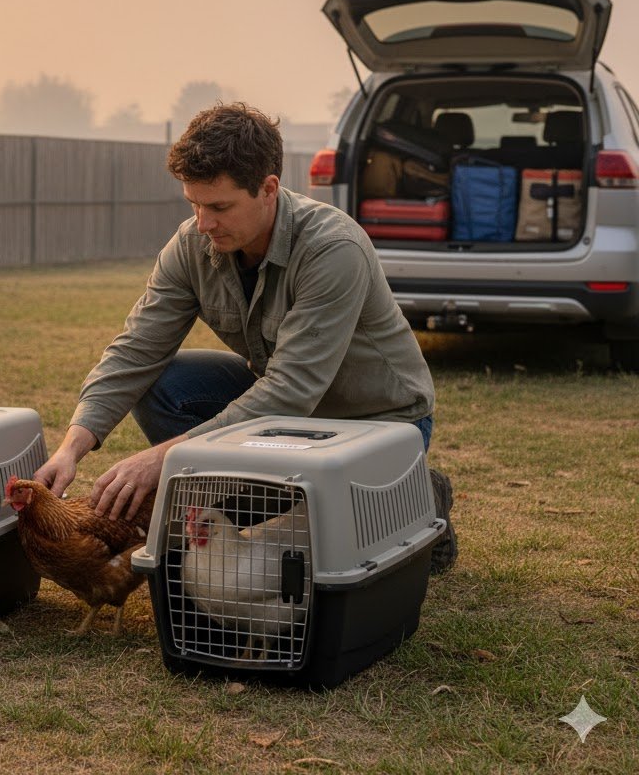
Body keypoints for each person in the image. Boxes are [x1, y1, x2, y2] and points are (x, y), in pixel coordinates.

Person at [35, 102, 457, 572]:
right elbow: (136, 349)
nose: (203, 223)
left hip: (376, 424)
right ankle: (233, 504)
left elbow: (292, 390)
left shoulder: (333, 249)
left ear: (268, 189)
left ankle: (417, 491)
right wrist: (71, 447)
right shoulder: (193, 244)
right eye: (194, 204)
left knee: (322, 554)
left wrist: (162, 460)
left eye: (219, 207)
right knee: (162, 383)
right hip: (281, 418)